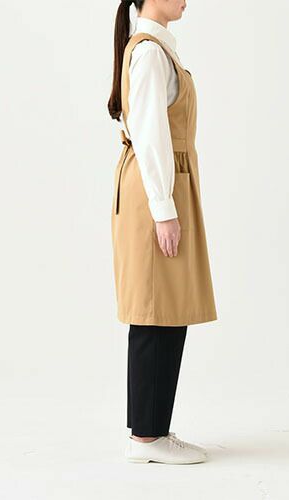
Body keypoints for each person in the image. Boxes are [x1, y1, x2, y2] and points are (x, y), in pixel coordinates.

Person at [108, 0, 217, 465]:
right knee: (154, 309)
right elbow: (151, 133)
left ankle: (152, 430)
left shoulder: (157, 48)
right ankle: (147, 438)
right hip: (158, 188)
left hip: (166, 185)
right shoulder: (150, 51)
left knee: (166, 306)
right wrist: (163, 209)